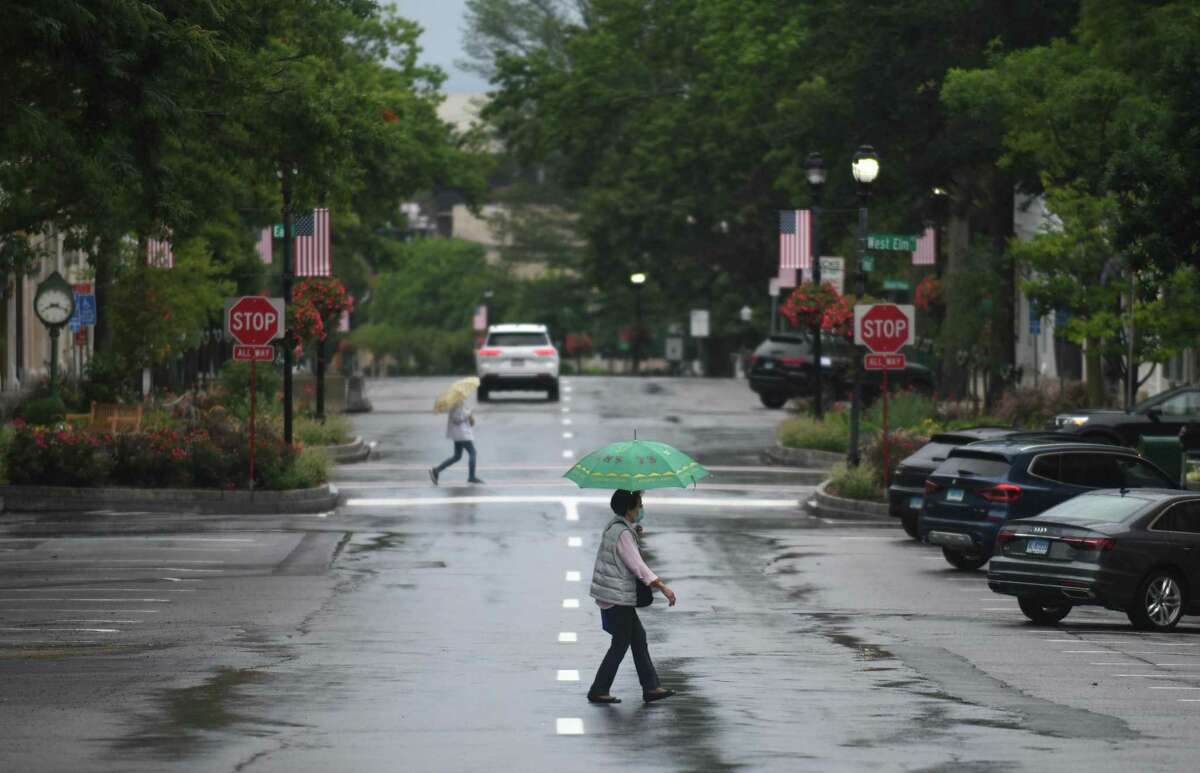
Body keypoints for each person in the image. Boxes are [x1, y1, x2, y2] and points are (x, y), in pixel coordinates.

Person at [586, 489, 676, 705]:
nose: (641, 509)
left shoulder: (616, 528)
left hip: (612, 594)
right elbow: (637, 566)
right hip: (617, 596)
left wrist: (635, 534)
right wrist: (662, 586)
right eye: (639, 505)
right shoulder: (623, 534)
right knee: (621, 643)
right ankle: (599, 690)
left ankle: (651, 687)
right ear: (630, 508)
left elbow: (626, 553)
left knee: (638, 638)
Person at [429, 400, 484, 485]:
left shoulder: (459, 403)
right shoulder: (456, 403)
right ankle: (471, 477)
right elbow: (457, 419)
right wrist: (469, 413)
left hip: (459, 433)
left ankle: (436, 470)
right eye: (462, 395)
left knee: (457, 456)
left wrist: (469, 415)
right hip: (462, 434)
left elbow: (462, 416)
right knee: (472, 452)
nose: (464, 396)